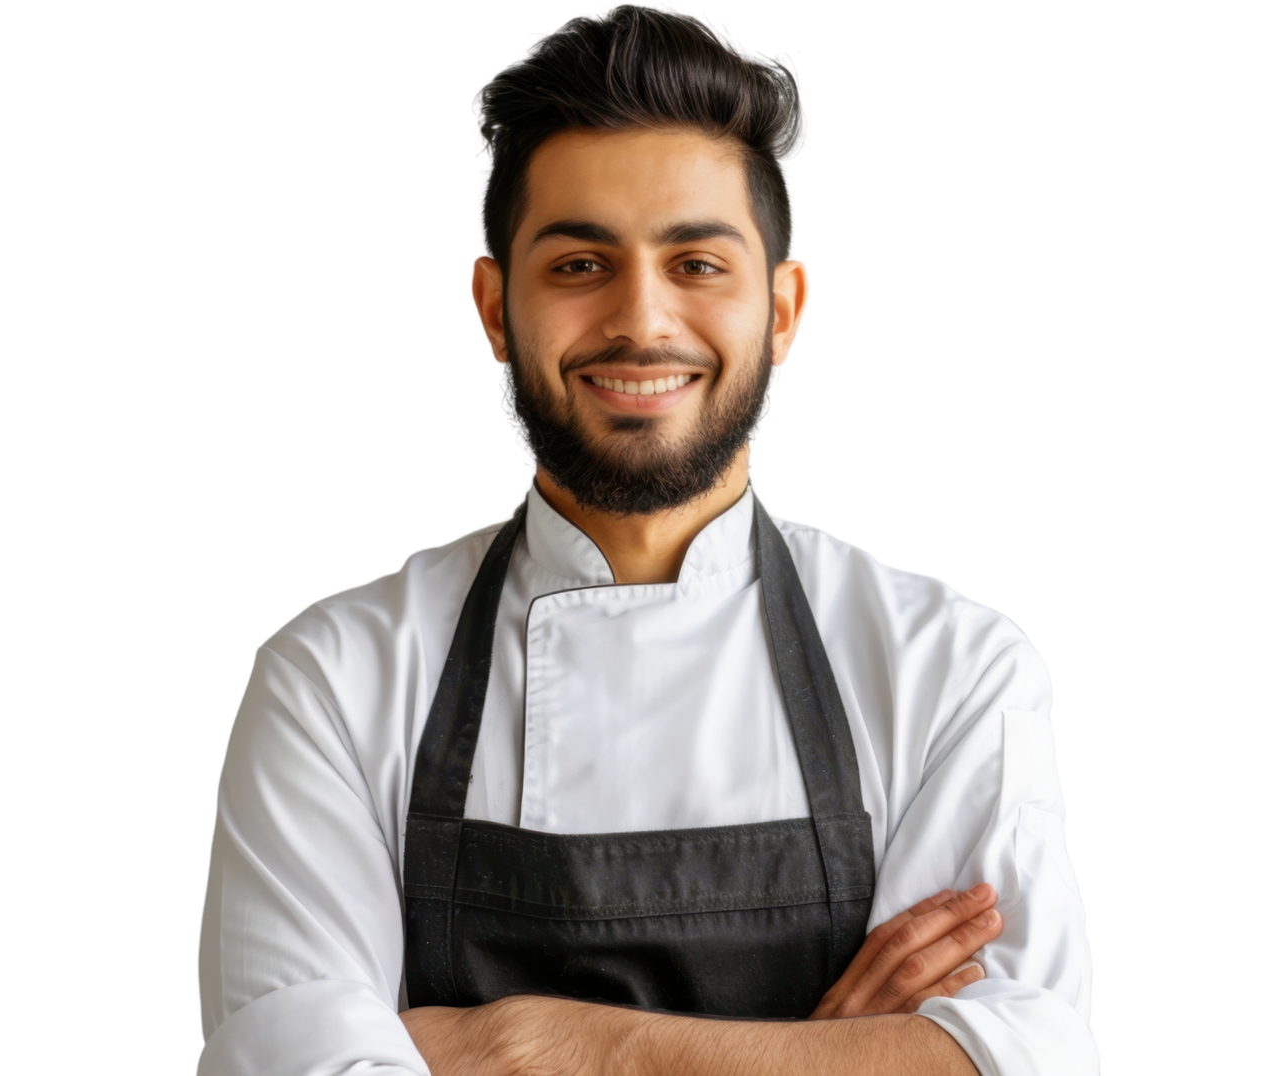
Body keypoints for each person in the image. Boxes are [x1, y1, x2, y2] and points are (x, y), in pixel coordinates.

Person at [197, 5, 1096, 1074]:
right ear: (494, 309)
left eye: (697, 264)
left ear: (783, 309)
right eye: (578, 263)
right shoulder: (331, 677)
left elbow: (1032, 1057)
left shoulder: (950, 665)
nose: (640, 319)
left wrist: (536, 1040)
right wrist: (817, 1054)